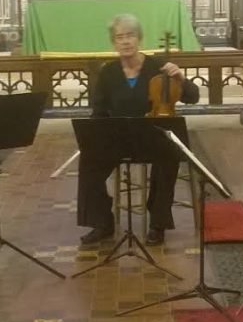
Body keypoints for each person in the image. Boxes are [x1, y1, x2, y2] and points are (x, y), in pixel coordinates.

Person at [77, 14, 200, 246]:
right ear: (114, 42)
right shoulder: (108, 73)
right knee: (88, 160)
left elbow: (192, 97)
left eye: (130, 36)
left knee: (168, 158)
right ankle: (102, 222)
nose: (125, 41)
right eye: (119, 37)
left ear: (139, 39)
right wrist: (94, 136)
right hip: (119, 138)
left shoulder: (159, 67)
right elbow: (99, 111)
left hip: (153, 137)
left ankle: (158, 222)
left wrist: (181, 78)